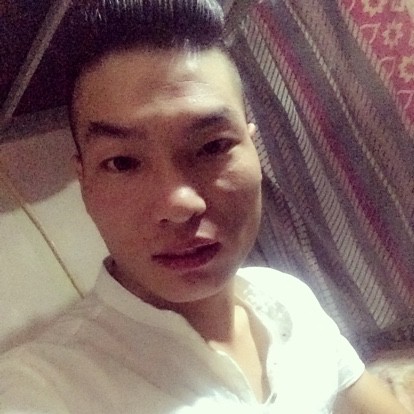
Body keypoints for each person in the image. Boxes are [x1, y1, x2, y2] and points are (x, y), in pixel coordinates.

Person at [0, 1, 410, 413]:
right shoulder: (43, 387)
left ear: (254, 148)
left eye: (213, 146)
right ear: (85, 184)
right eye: (122, 162)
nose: (179, 205)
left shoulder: (287, 299)